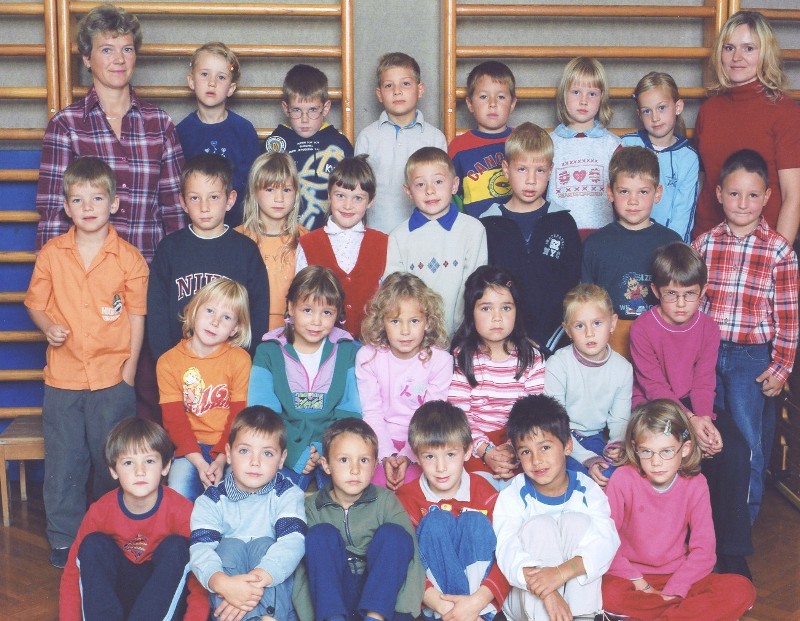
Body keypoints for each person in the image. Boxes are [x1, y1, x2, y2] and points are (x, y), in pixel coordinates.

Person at [25, 157, 148, 568]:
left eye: (97, 198)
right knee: (64, 460)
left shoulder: (129, 258)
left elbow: (136, 316)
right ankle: (64, 538)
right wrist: (48, 327)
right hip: (62, 378)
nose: (88, 207)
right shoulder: (51, 254)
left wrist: (129, 372)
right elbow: (35, 303)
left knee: (110, 458)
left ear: (114, 203)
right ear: (66, 207)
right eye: (78, 200)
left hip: (112, 377)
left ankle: (113, 531)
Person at [629, 241, 754, 577]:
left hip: (695, 404)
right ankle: (686, 547)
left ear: (703, 292)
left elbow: (703, 382)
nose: (681, 304)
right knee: (684, 451)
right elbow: (654, 387)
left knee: (734, 450)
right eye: (672, 294)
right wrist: (691, 423)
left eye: (690, 294)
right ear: (656, 291)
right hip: (653, 407)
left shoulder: (708, 327)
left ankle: (730, 550)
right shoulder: (643, 329)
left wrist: (705, 423)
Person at [692, 149, 798, 525]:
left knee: (748, 439)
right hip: (707, 353)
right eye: (734, 193)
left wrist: (781, 367)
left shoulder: (779, 252)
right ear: (719, 193)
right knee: (707, 433)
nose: (742, 203)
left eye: (752, 195)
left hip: (751, 359)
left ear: (767, 197)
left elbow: (788, 317)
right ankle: (706, 517)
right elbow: (693, 307)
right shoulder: (703, 245)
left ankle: (742, 523)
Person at [35, 3, 184, 263]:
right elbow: (54, 214)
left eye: (127, 49)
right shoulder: (65, 125)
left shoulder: (160, 124)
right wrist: (52, 276)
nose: (119, 59)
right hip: (86, 274)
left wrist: (179, 271)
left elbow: (174, 211)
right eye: (107, 50)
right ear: (86, 58)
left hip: (149, 270)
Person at [602, 400, 757, 621]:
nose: (656, 462)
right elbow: (605, 542)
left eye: (666, 451)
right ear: (635, 448)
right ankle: (682, 614)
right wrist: (643, 586)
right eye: (646, 452)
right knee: (607, 593)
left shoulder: (696, 484)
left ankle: (663, 615)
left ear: (684, 449)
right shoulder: (623, 479)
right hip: (631, 578)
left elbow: (704, 550)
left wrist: (675, 590)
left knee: (741, 589)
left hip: (679, 576)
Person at [59, 418, 209, 621]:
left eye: (149, 461)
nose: (140, 471)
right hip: (118, 600)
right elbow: (73, 573)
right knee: (92, 544)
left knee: (178, 547)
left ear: (165, 466)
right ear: (114, 470)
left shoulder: (182, 510)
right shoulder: (100, 511)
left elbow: (200, 576)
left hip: (161, 602)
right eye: (128, 463)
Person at [493, 395, 619, 621]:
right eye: (526, 452)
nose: (536, 460)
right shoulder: (513, 494)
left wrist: (559, 574)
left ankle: (583, 617)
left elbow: (606, 541)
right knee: (539, 526)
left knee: (577, 522)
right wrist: (549, 591)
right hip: (528, 603)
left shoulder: (586, 489)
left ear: (567, 446)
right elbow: (507, 551)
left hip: (574, 598)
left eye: (545, 447)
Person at [292, 418, 424, 621]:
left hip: (380, 598)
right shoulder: (312, 507)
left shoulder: (385, 500)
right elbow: (303, 570)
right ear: (326, 465)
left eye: (363, 460)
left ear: (374, 465)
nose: (355, 470)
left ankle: (374, 618)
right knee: (320, 535)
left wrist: (404, 613)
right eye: (344, 460)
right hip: (334, 599)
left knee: (396, 535)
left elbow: (411, 557)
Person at [248, 266, 361, 490]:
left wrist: (326, 448)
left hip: (334, 447)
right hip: (284, 446)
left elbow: (350, 411)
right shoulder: (268, 352)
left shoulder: (348, 351)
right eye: (307, 310)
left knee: (346, 497)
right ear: (290, 307)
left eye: (327, 313)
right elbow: (264, 414)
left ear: (338, 313)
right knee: (274, 497)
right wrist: (292, 452)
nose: (316, 321)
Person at [146, 153, 269, 359]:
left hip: (229, 367)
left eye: (213, 197)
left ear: (230, 200)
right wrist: (166, 362)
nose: (204, 207)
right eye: (195, 198)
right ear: (183, 202)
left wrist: (243, 362)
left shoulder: (246, 251)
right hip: (177, 365)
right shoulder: (169, 249)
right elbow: (157, 315)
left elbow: (257, 315)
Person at [189, 406, 306, 621]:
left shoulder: (287, 493)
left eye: (267, 453)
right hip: (228, 597)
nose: (255, 462)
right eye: (244, 451)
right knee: (229, 547)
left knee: (265, 545)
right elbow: (201, 550)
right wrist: (222, 582)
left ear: (282, 459)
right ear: (228, 453)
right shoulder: (211, 500)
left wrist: (258, 579)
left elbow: (292, 543)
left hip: (273, 603)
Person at [396, 401, 510, 621]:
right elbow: (406, 565)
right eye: (430, 456)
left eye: (450, 454)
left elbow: (508, 554)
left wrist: (474, 605)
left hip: (480, 607)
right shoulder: (406, 498)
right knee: (435, 523)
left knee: (474, 522)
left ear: (467, 451)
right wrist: (449, 610)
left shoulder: (485, 493)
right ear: (417, 456)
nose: (441, 467)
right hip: (437, 608)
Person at [693, 10, 800, 244]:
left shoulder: (785, 112)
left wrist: (777, 255)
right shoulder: (709, 109)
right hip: (706, 241)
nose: (737, 57)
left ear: (765, 54)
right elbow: (705, 183)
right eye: (729, 48)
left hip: (762, 245)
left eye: (748, 48)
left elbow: (793, 197)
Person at [479, 122, 581, 353]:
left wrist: (549, 341)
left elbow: (573, 287)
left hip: (556, 342)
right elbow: (483, 292)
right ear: (506, 169)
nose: (531, 180)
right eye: (522, 169)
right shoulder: (488, 224)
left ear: (551, 170)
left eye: (540, 171)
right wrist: (513, 336)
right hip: (503, 342)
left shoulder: (563, 223)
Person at [448, 266, 545, 489]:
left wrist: (513, 447)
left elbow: (534, 414)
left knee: (529, 485)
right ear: (471, 312)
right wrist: (486, 450)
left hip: (521, 441)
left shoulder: (532, 357)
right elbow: (460, 416)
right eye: (486, 308)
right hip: (473, 442)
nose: (497, 318)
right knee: (474, 488)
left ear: (517, 311)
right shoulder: (462, 357)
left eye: (506, 308)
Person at [157, 278, 252, 501]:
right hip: (190, 449)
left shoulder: (239, 360)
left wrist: (221, 458)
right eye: (209, 311)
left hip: (232, 445)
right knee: (179, 491)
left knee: (239, 493)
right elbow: (174, 421)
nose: (215, 322)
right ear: (194, 310)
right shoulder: (168, 362)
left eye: (226, 317)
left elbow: (238, 416)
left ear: (235, 328)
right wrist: (200, 462)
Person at [582, 146, 681, 360]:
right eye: (624, 191)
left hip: (659, 345)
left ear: (658, 193)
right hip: (608, 347)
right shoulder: (595, 244)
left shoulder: (672, 243)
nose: (633, 200)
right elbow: (584, 303)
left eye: (643, 192)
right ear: (610, 192)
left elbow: (680, 302)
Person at [356, 272, 452, 489]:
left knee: (415, 488)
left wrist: (408, 455)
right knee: (375, 487)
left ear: (428, 322)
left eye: (414, 321)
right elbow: (371, 412)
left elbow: (430, 417)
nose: (405, 331)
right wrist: (387, 454)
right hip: (378, 439)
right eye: (395, 321)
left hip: (422, 441)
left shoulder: (440, 361)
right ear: (382, 322)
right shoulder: (368, 357)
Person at [385, 146, 488, 335]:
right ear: (408, 191)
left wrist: (461, 334)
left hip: (464, 336)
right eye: (420, 184)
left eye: (438, 181)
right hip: (415, 338)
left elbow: (474, 289)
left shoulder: (473, 230)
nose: (430, 191)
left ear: (455, 185)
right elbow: (395, 294)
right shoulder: (398, 237)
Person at [544, 284, 632, 488]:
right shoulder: (558, 364)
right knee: (575, 478)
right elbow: (554, 421)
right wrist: (587, 459)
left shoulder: (623, 369)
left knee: (618, 476)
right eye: (579, 326)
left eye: (597, 323)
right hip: (560, 437)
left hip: (596, 438)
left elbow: (619, 419)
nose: (590, 333)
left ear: (612, 323)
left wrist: (618, 445)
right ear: (567, 330)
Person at [296, 155, 388, 338]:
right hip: (322, 344)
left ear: (370, 201)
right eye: (340, 196)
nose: (348, 205)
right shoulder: (308, 243)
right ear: (329, 195)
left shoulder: (383, 243)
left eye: (358, 198)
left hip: (372, 343)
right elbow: (300, 299)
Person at [355, 52, 447, 234]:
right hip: (376, 231)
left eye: (405, 83)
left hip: (422, 233)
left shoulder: (435, 138)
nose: (397, 91)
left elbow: (442, 191)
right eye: (389, 85)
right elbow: (358, 190)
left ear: (420, 89)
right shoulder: (367, 137)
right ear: (379, 94)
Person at [177, 41, 259, 227]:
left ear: (231, 88)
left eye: (221, 77)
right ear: (191, 81)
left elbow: (255, 186)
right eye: (204, 74)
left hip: (238, 228)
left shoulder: (244, 131)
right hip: (195, 229)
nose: (212, 82)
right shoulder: (181, 132)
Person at [265, 63, 354, 230]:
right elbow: (261, 191)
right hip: (284, 232)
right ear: (286, 108)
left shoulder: (340, 144)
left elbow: (354, 191)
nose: (304, 120)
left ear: (325, 108)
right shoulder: (275, 143)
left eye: (313, 110)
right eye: (297, 110)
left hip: (330, 233)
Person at [622, 71, 699, 242]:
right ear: (639, 114)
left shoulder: (688, 157)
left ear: (678, 107)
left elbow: (683, 212)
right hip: (627, 240)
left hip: (668, 246)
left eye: (661, 108)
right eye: (647, 111)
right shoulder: (626, 144)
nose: (655, 117)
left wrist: (673, 249)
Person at [548, 57, 621, 238]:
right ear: (564, 95)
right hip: (558, 234)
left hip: (603, 236)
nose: (583, 100)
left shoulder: (613, 145)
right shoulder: (549, 143)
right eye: (576, 92)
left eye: (592, 94)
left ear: (601, 98)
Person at [236, 151, 309, 331]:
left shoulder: (307, 240)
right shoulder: (236, 238)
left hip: (293, 334)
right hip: (244, 331)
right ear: (254, 192)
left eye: (286, 190)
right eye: (270, 189)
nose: (279, 198)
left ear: (296, 193)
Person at [448, 61, 517, 218]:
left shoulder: (522, 140)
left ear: (512, 104)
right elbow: (451, 196)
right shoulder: (458, 147)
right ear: (470, 104)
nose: (492, 104)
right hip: (476, 228)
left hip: (518, 228)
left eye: (501, 97)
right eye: (484, 96)